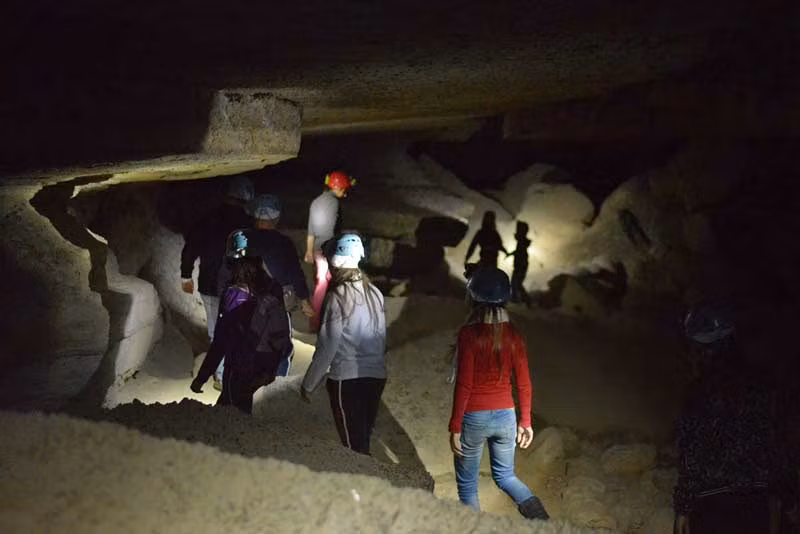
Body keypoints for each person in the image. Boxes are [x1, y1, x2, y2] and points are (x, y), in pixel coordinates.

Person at [673, 303, 796, 534]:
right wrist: (788, 498)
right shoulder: (762, 386)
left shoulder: (698, 393)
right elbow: (776, 445)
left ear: (699, 348)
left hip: (710, 503)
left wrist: (683, 506)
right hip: (754, 502)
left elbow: (691, 453)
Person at [448, 266, 549, 521]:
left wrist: (455, 426)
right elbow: (524, 383)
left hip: (474, 417)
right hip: (506, 417)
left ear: (473, 296)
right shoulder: (514, 335)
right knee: (506, 476)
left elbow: (465, 384)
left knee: (468, 486)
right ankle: (543, 523)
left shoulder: (469, 334)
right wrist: (525, 421)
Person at [300, 233, 386, 455]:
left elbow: (327, 347)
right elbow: (380, 339)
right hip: (376, 377)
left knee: (353, 449)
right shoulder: (375, 293)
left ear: (334, 262)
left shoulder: (337, 296)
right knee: (362, 441)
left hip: (347, 379)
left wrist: (309, 384)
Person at [214, 194, 313, 384]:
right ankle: (273, 386)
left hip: (243, 302)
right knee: (280, 347)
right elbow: (295, 273)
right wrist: (304, 300)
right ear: (277, 217)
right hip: (276, 304)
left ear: (254, 215)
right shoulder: (284, 243)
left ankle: (238, 383)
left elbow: (225, 272)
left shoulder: (239, 238)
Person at [190, 231, 292, 414]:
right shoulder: (273, 287)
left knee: (230, 414)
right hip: (267, 367)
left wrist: (202, 377)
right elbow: (281, 332)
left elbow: (221, 340)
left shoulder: (235, 295)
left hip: (240, 368)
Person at [180, 176, 254, 347]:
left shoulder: (207, 220)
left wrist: (186, 276)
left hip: (209, 282)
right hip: (238, 285)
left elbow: (191, 249)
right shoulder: (248, 224)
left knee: (215, 331)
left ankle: (219, 362)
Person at [304, 170, 356, 331]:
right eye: (344, 189)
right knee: (324, 283)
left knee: (321, 282)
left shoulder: (316, 201)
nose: (345, 193)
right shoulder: (334, 203)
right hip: (326, 250)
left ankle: (319, 320)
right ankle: (316, 323)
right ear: (338, 187)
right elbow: (330, 231)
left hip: (316, 250)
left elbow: (311, 230)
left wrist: (309, 251)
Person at [506, 221, 532, 308]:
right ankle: (519, 299)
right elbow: (518, 251)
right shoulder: (521, 242)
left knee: (517, 283)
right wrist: (510, 254)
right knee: (516, 283)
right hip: (519, 266)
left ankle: (525, 300)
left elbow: (520, 252)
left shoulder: (522, 241)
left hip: (520, 266)